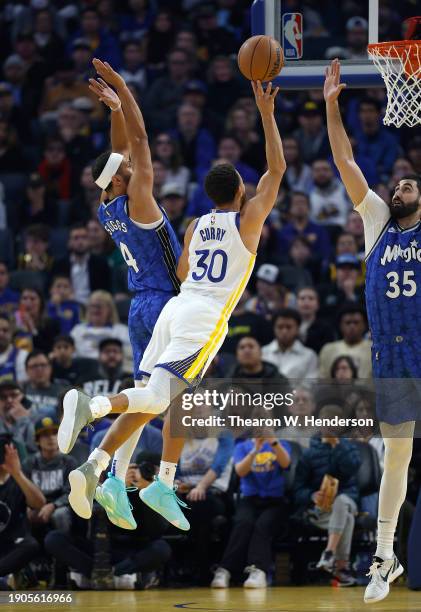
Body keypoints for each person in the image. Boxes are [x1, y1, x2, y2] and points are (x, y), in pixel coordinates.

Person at [58, 75, 286, 534]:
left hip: (155, 305)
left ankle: (112, 475)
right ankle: (97, 411)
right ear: (239, 192)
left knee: (157, 404)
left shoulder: (166, 219)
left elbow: (119, 153)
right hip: (177, 305)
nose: (130, 169)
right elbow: (138, 144)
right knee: (159, 399)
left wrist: (114, 110)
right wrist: (123, 91)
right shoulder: (147, 202)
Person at [324, 58, 420, 602]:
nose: (401, 185)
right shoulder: (379, 223)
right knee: (396, 459)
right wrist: (333, 107)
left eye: (410, 182)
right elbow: (346, 161)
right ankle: (384, 558)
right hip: (392, 357)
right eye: (398, 181)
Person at [293, 405, 361, 586]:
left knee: (342, 503)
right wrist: (311, 496)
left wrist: (338, 446)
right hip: (322, 510)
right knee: (346, 518)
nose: (330, 425)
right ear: (319, 423)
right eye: (327, 421)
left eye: (335, 422)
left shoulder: (350, 448)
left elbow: (352, 469)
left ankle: (329, 552)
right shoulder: (308, 454)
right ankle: (341, 568)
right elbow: (297, 489)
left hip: (348, 500)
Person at [211, 436, 291, 589]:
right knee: (243, 523)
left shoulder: (282, 443)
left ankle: (258, 571)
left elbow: (286, 463)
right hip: (249, 498)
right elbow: (240, 471)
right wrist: (256, 449)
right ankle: (225, 570)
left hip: (275, 501)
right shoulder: (242, 446)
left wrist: (273, 442)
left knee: (263, 525)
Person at [0, 443, 45, 589]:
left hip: (14, 544)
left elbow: (39, 503)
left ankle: (6, 576)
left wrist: (17, 473)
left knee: (30, 545)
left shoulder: (18, 480)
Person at [25, 415, 76, 535]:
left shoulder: (69, 462)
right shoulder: (29, 463)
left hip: (60, 506)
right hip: (35, 505)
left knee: (60, 514)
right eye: (45, 435)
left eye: (55, 433)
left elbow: (71, 492)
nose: (51, 438)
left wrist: (53, 505)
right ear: (37, 440)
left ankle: (61, 549)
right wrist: (26, 507)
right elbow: (22, 491)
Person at [51, 223, 112, 304]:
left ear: (89, 241)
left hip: (93, 306)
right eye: (76, 238)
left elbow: (107, 291)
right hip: (67, 305)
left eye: (84, 237)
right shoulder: (59, 264)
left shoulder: (101, 264)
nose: (80, 242)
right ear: (69, 242)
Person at [262, 309, 318, 379]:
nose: (284, 331)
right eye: (280, 327)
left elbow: (310, 385)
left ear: (297, 329)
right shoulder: (263, 353)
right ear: (274, 329)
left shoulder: (309, 356)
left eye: (289, 327)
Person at [318, 306, 372, 379]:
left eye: (356, 323)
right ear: (340, 325)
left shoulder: (373, 348)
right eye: (348, 323)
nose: (352, 326)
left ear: (365, 325)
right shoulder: (328, 349)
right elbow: (323, 379)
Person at [23, 351, 65, 419]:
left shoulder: (63, 392)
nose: (39, 369)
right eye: (34, 366)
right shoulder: (19, 392)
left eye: (43, 365)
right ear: (26, 370)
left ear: (50, 368)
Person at [296, 286, 335, 354]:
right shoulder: (290, 325)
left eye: (311, 298)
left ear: (318, 305)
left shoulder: (326, 328)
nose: (306, 302)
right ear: (296, 304)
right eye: (302, 298)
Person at [0, 314, 28, 384]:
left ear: (12, 333)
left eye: (5, 330)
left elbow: (23, 386)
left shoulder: (22, 355)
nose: (1, 334)